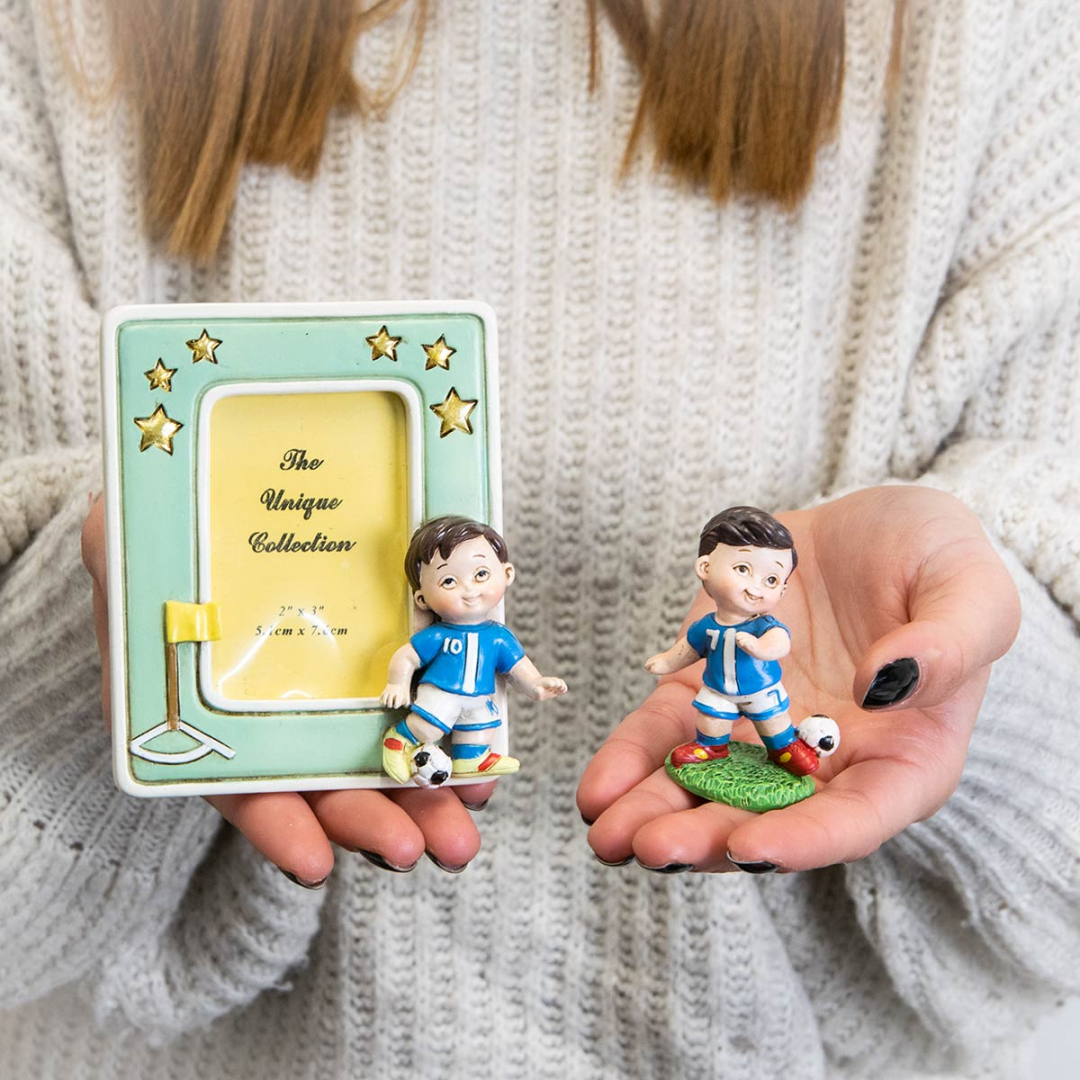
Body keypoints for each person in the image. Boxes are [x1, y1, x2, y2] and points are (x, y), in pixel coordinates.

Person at [1, 1, 1077, 1078]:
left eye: (483, 575)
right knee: (467, 727)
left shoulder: (985, 35)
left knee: (727, 728)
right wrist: (110, 630)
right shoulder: (58, 34)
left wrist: (960, 679)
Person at [379, 515, 567, 782]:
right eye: (449, 581)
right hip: (443, 692)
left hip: (479, 696)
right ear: (422, 599)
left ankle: (471, 759)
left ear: (507, 574)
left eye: (481, 575)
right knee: (429, 728)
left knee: (482, 726)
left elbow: (516, 665)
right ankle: (398, 740)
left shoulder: (498, 636)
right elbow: (408, 656)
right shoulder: (438, 634)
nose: (469, 590)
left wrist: (535, 684)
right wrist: (397, 684)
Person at [645, 506, 820, 776]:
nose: (755, 587)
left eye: (771, 579)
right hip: (718, 689)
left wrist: (761, 647)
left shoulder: (763, 625)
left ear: (783, 590)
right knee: (711, 717)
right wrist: (666, 662)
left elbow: (780, 641)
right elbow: (689, 648)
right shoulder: (707, 626)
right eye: (742, 569)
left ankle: (784, 747)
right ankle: (711, 746)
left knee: (772, 718)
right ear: (705, 567)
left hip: (761, 688)